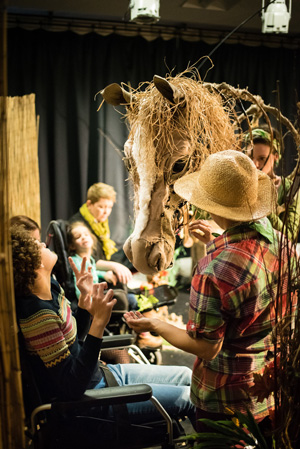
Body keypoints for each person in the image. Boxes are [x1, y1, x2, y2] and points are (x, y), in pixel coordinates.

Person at [124, 150, 297, 435]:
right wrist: (215, 245)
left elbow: (206, 346)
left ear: (214, 208)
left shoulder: (213, 271)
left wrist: (156, 324)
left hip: (225, 400)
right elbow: (248, 282)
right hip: (270, 389)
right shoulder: (282, 244)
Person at [11, 225, 196, 426]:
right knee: (190, 399)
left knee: (187, 375)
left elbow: (75, 341)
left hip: (101, 376)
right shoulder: (39, 316)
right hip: (91, 399)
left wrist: (84, 305)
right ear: (33, 262)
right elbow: (72, 386)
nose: (41, 243)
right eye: (36, 245)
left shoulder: (52, 289)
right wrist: (98, 323)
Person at [69, 182, 163, 348]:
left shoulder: (98, 223)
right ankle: (144, 330)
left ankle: (149, 317)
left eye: (109, 207)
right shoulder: (80, 226)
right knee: (127, 281)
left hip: (99, 270)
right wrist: (112, 267)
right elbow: (89, 260)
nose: (106, 212)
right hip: (94, 281)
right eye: (101, 207)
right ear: (89, 204)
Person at [244, 126, 300, 243]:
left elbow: (289, 236)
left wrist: (263, 205)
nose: (255, 165)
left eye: (262, 158)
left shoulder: (289, 188)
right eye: (250, 157)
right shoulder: (241, 186)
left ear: (276, 157)